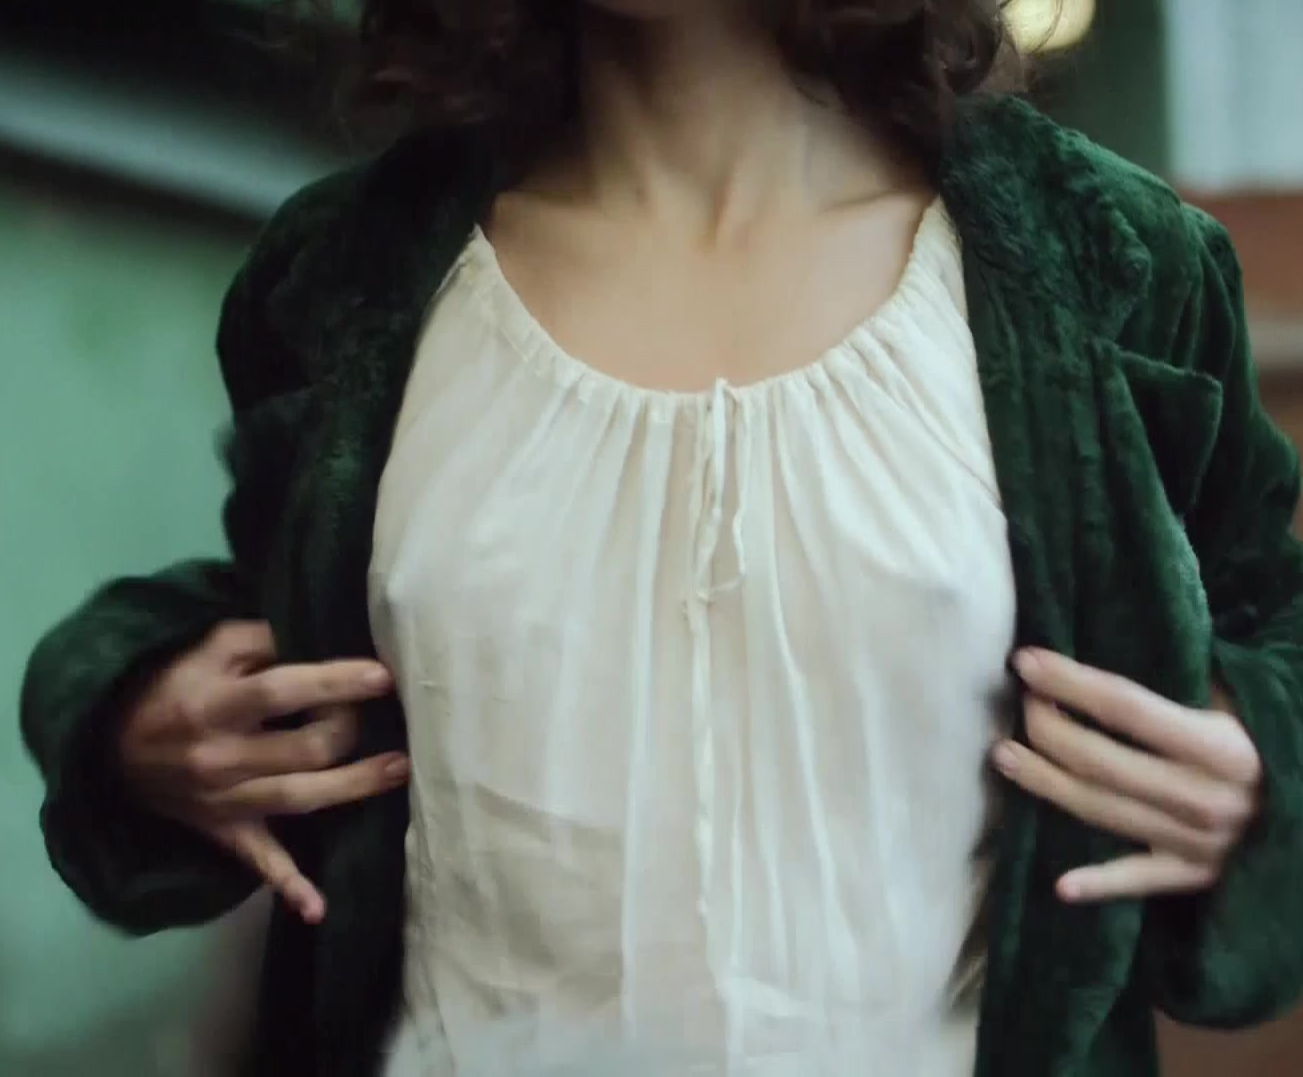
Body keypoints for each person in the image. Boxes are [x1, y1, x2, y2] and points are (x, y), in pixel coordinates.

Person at [19, 1, 1303, 1075]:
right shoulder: (345, 275)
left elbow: (1272, 621)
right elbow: (260, 617)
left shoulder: (1111, 264)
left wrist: (1265, 774)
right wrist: (134, 718)